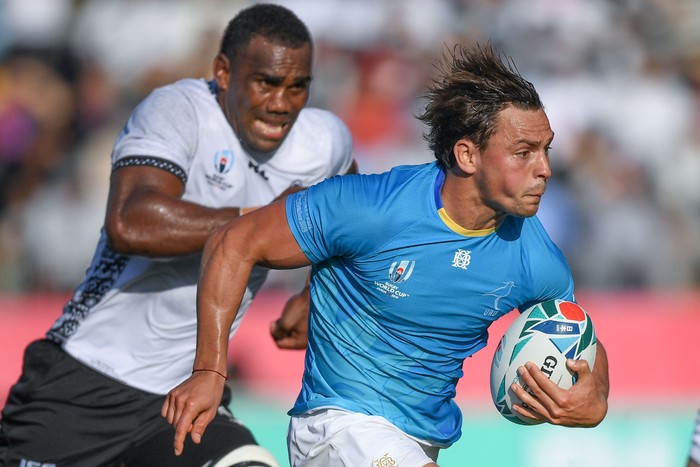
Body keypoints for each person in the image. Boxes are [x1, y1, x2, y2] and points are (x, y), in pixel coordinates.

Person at [163, 43, 610, 466]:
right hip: (338, 425)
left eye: (545, 150)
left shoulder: (535, 256)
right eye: (524, 152)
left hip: (422, 440)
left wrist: (596, 399)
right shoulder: (371, 208)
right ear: (468, 155)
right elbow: (232, 243)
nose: (545, 169)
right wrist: (209, 370)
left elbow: (576, 331)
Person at [0, 4, 356, 467]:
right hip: (82, 384)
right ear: (224, 72)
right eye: (266, 82)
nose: (282, 103)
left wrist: (316, 294)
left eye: (297, 86)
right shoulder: (178, 110)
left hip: (185, 394)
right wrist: (261, 219)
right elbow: (131, 222)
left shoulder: (324, 143)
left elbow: (349, 218)